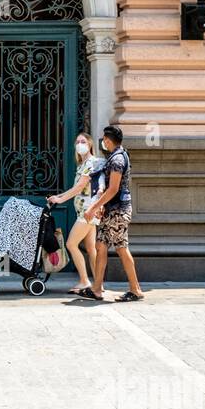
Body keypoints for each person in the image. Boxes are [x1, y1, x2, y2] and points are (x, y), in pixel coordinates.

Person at [84, 125, 144, 302]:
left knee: (121, 248)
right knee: (101, 246)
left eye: (104, 139)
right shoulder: (116, 156)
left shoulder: (117, 159)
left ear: (108, 140)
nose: (103, 142)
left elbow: (113, 189)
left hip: (118, 211)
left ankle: (135, 289)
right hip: (112, 210)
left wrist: (93, 207)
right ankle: (96, 288)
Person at [47, 132, 105, 294]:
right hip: (86, 211)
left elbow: (79, 188)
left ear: (90, 144)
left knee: (71, 244)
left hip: (87, 213)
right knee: (91, 248)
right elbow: (77, 189)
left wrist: (60, 200)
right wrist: (58, 196)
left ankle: (85, 281)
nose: (80, 144)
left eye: (83, 141)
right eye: (78, 141)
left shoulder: (92, 163)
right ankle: (98, 283)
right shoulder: (82, 164)